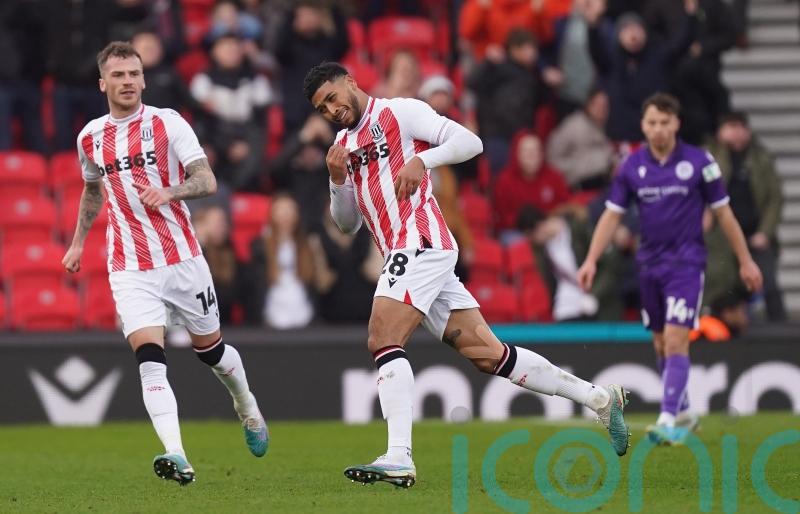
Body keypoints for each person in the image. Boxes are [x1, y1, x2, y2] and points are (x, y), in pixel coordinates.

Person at [303, 61, 630, 488]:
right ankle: (599, 398)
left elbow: (470, 141)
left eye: (332, 97)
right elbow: (347, 225)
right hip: (405, 252)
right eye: (321, 108)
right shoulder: (343, 145)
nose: (330, 109)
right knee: (490, 355)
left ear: (350, 82)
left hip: (420, 239)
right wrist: (336, 180)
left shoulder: (400, 112)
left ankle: (399, 455)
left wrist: (424, 161)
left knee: (382, 334)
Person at [61, 42, 268, 486]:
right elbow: (93, 190)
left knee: (211, 353)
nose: (128, 81)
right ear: (103, 83)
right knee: (150, 360)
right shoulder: (90, 137)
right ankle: (177, 454)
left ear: (143, 78)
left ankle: (247, 407)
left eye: (134, 73)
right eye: (118, 75)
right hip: (130, 265)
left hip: (183, 259)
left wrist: (170, 192)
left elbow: (207, 179)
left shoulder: (168, 123)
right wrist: (78, 242)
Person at [576, 93, 763, 446]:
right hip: (649, 266)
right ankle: (687, 413)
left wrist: (745, 260)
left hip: (687, 265)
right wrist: (591, 259)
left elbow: (723, 213)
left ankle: (667, 421)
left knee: (677, 339)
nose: (658, 129)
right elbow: (612, 215)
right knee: (661, 343)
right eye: (652, 123)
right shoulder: (632, 166)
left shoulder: (698, 162)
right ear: (643, 126)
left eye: (665, 122)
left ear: (676, 123)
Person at [705, 112, 785, 321]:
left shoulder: (760, 158)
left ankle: (782, 335)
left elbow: (775, 198)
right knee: (720, 288)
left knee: (768, 285)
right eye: (731, 127)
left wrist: (765, 232)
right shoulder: (709, 157)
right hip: (720, 238)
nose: (737, 133)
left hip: (754, 233)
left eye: (741, 127)